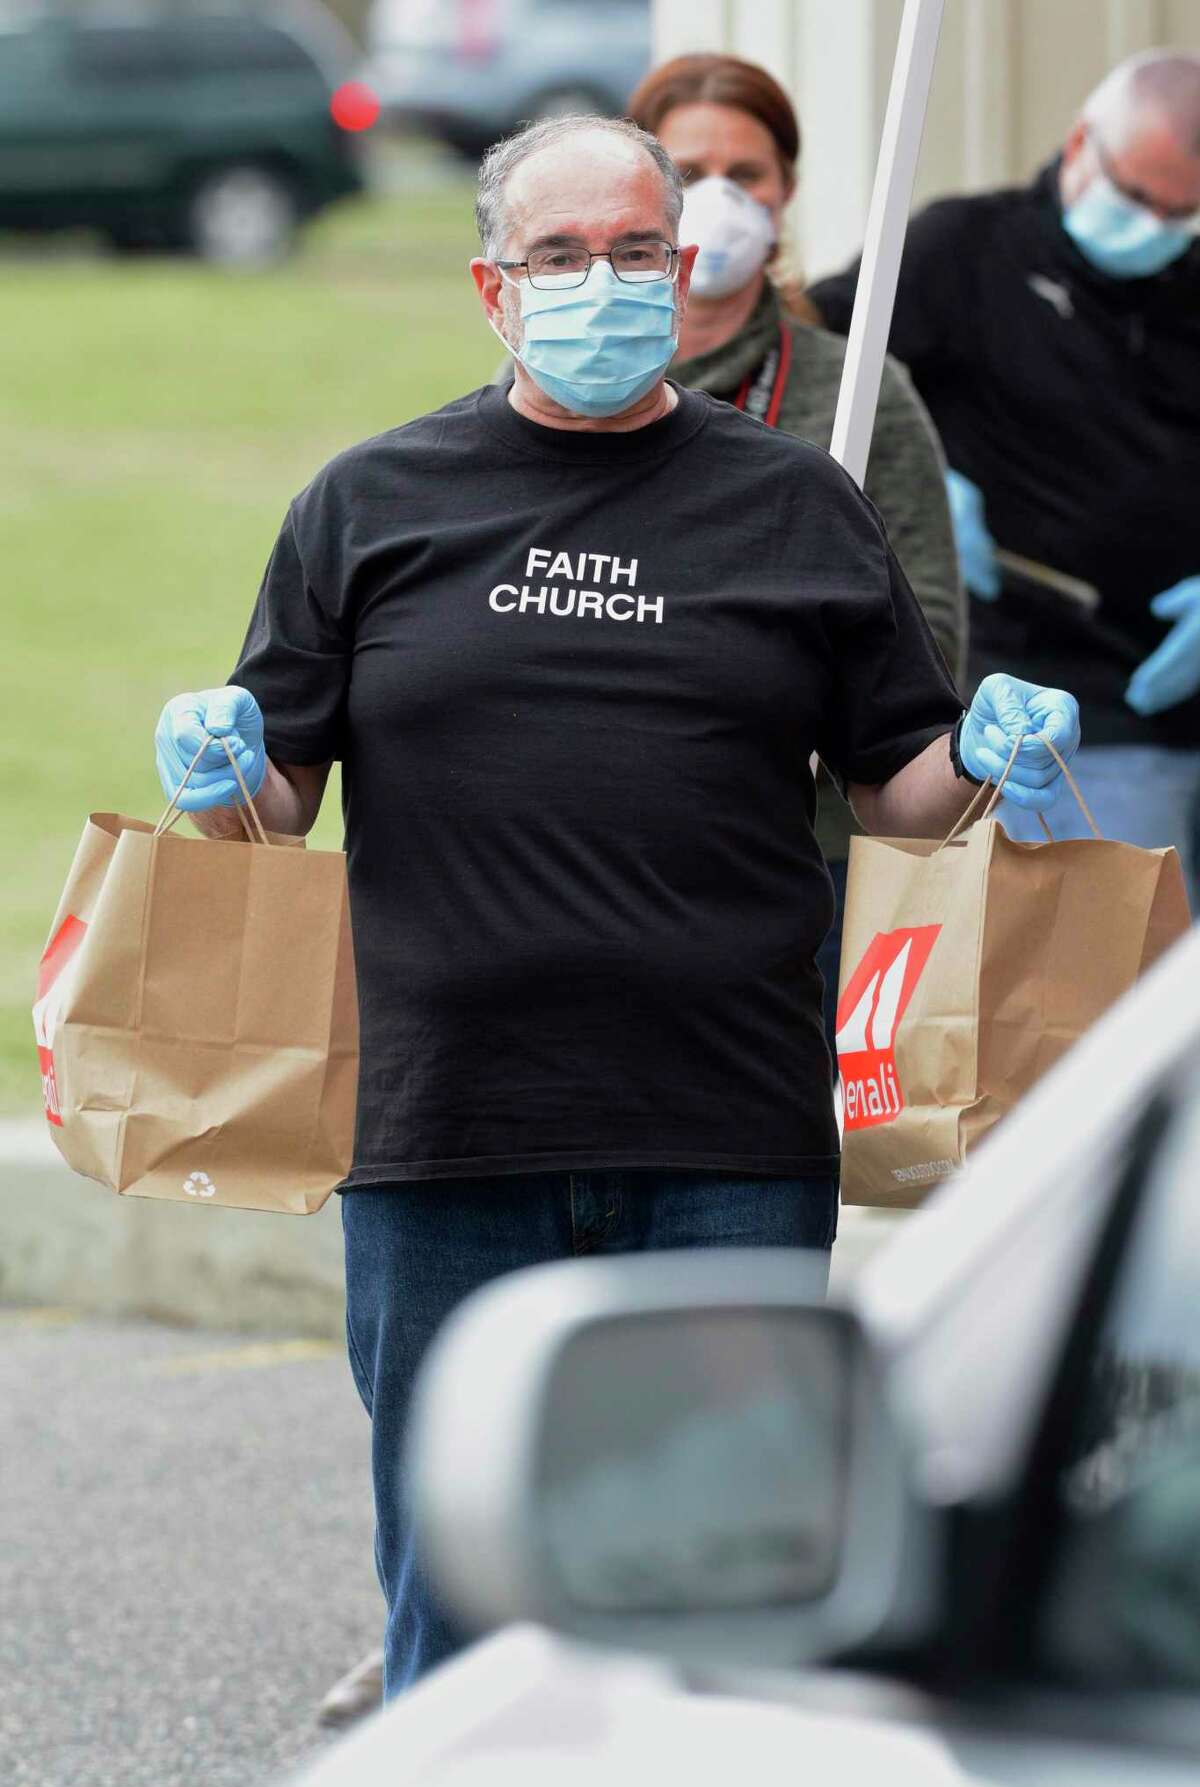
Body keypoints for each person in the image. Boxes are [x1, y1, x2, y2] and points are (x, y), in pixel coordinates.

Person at [153, 114, 1081, 1702]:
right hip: (447, 1137)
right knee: (460, 1593)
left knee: (720, 1591)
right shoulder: (372, 504)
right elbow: (279, 798)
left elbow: (891, 790)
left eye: (636, 252)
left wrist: (984, 759)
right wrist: (224, 769)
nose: (604, 283)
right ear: (492, 287)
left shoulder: (795, 505)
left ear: (688, 261)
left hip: (725, 1132)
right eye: (561, 257)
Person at [625, 53, 965, 1046]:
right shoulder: (562, 389)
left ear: (787, 193)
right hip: (599, 858)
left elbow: (926, 636)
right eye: (689, 173)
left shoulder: (858, 392)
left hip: (802, 867)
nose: (720, 200)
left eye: (749, 175)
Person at [810, 50, 1200, 899]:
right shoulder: (963, 250)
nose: (1153, 226)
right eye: (1136, 196)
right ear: (1080, 145)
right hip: (1057, 700)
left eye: (1182, 213)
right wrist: (914, 483)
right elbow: (822, 365)